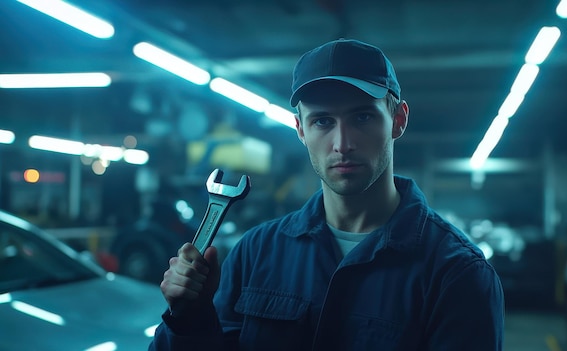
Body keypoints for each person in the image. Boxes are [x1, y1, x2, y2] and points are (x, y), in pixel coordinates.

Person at [149, 38, 505, 351]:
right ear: (301, 130)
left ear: (398, 120)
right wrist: (188, 319)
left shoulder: (457, 273)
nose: (342, 144)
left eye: (362, 117)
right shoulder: (255, 253)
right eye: (322, 121)